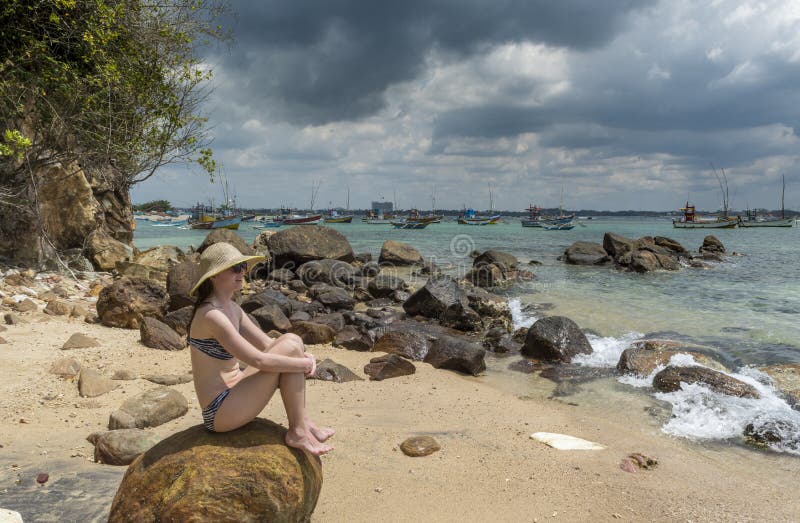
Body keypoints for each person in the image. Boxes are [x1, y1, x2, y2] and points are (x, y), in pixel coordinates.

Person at [187, 242, 333, 456]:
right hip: (219, 410)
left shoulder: (233, 309)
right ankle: (298, 431)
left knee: (292, 340)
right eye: (235, 268)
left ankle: (303, 423)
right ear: (214, 276)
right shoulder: (211, 315)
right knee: (292, 350)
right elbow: (259, 361)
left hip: (237, 392)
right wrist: (304, 363)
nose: (242, 272)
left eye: (243, 267)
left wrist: (304, 355)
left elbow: (268, 346)